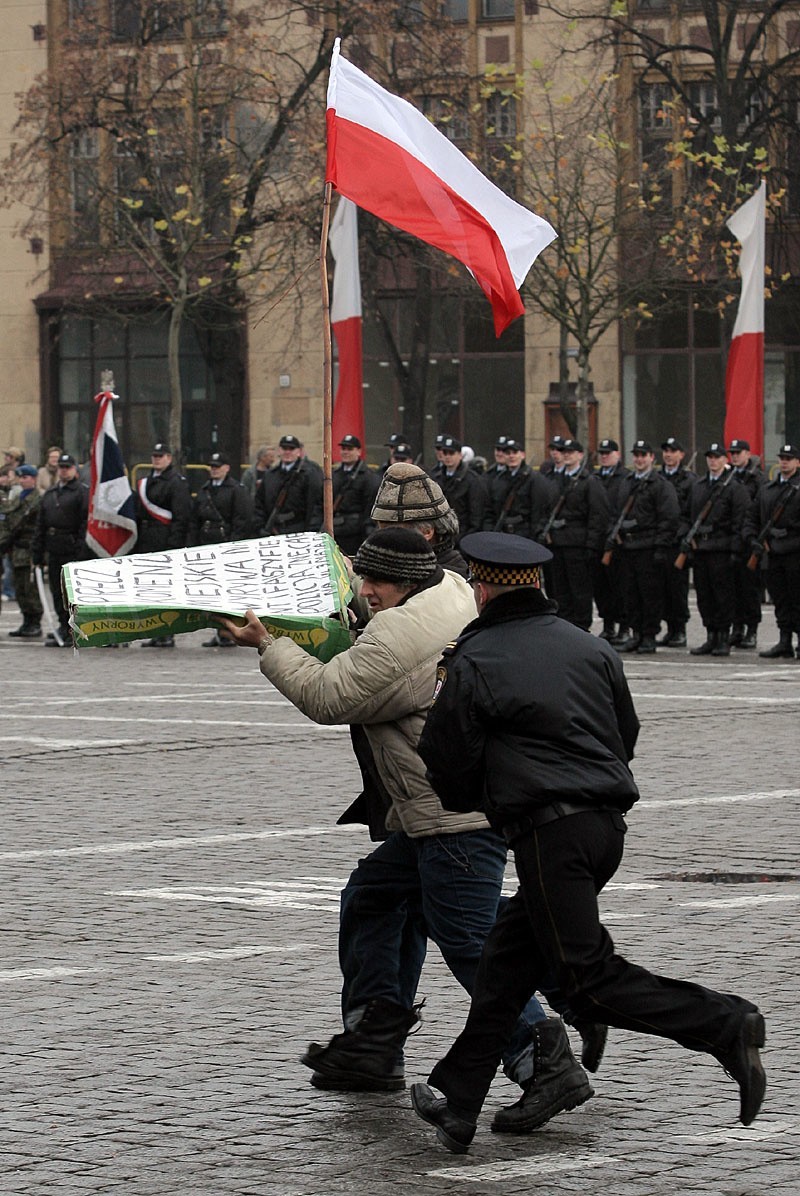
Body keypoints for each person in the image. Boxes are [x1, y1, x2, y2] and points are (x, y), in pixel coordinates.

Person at [216, 528, 595, 1122]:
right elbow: (358, 638)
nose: (367, 592)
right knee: (373, 898)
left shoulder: (399, 636)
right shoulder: (444, 590)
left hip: (454, 818)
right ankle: (374, 1040)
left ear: (408, 582)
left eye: (378, 583)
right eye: (363, 578)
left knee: (471, 942)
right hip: (433, 813)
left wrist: (267, 642)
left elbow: (329, 695)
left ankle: (544, 1059)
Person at [409, 531, 766, 1153]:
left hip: (551, 832)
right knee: (504, 966)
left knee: (585, 981)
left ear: (482, 588)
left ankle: (725, 1023)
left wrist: (482, 797)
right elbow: (622, 733)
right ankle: (459, 1100)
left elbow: (446, 754)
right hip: (603, 826)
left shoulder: (475, 657)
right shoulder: (589, 646)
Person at [610, 440, 679, 655]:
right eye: (636, 455)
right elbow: (616, 511)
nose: (639, 459)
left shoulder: (660, 485)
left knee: (650, 595)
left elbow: (669, 518)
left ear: (651, 458)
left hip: (648, 547)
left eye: (643, 455)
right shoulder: (627, 482)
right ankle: (636, 632)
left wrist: (661, 547)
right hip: (628, 547)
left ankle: (649, 634)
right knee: (630, 594)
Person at [688, 443, 750, 657]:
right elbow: (689, 515)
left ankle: (723, 636)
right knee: (704, 595)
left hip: (721, 549)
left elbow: (739, 520)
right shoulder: (699, 485)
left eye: (717, 457)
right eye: (710, 457)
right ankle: (711, 635)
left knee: (723, 595)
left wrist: (735, 549)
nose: (713, 461)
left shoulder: (734, 487)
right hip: (701, 548)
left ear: (725, 460)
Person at [540, 438, 609, 632]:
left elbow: (597, 515)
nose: (567, 454)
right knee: (559, 590)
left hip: (578, 544)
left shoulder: (589, 481)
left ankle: (580, 626)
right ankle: (563, 624)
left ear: (580, 455)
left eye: (571, 451)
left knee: (580, 590)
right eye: (564, 451)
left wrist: (592, 545)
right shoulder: (554, 479)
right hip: (556, 542)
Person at [190, 451, 253, 648]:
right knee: (213, 593)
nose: (214, 470)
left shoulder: (236, 489)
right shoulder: (205, 490)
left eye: (218, 467)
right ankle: (219, 632)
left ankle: (229, 633)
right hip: (207, 545)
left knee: (228, 593)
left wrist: (233, 546)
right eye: (212, 467)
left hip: (227, 547)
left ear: (227, 468)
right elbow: (195, 520)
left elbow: (241, 519)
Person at [746, 442, 800, 659]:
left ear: (797, 462)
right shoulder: (767, 490)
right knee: (781, 599)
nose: (784, 462)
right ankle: (784, 640)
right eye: (782, 458)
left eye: (789, 458)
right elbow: (752, 517)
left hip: (795, 553)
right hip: (773, 553)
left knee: (798, 599)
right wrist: (753, 540)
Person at [136, 443, 192, 648]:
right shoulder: (146, 481)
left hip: (166, 541)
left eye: (161, 456)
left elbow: (181, 517)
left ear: (169, 458)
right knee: (152, 591)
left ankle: (168, 633)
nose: (157, 459)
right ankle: (156, 632)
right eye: (154, 456)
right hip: (148, 541)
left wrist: (174, 545)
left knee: (168, 592)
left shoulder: (176, 483)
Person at [32, 454, 90, 647]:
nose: (64, 470)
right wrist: (37, 553)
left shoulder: (82, 493)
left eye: (67, 467)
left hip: (72, 547)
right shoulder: (51, 493)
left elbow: (84, 523)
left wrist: (81, 549)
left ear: (74, 469)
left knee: (71, 593)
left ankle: (73, 628)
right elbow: (41, 525)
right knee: (57, 591)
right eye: (61, 467)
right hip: (54, 547)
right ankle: (62, 624)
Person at [657, 437, 696, 648]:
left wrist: (681, 534)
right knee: (661, 588)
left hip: (678, 542)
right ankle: (669, 627)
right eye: (666, 451)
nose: (669, 455)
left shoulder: (689, 480)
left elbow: (690, 511)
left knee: (677, 589)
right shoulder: (658, 478)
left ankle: (679, 628)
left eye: (673, 451)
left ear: (682, 454)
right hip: (660, 540)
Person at [728, 439, 765, 649]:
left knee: (750, 590)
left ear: (748, 454)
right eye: (732, 452)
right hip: (732, 540)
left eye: (738, 452)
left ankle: (751, 630)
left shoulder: (757, 479)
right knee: (732, 590)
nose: (735, 456)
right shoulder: (729, 477)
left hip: (749, 541)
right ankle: (737, 628)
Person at [0, 464, 44, 638]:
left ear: (33, 479)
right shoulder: (18, 497)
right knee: (20, 588)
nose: (22, 480)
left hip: (28, 550)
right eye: (20, 477)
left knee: (30, 587)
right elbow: (9, 517)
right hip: (15, 549)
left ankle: (35, 622)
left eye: (25, 477)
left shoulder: (37, 499)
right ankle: (26, 621)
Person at [593, 438, 630, 643]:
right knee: (602, 587)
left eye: (608, 453)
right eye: (602, 453)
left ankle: (624, 626)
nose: (605, 456)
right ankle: (608, 625)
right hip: (599, 540)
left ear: (618, 455)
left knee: (621, 587)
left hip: (618, 541)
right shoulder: (595, 477)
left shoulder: (625, 478)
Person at [483, 438, 552, 543]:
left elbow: (538, 510)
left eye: (515, 452)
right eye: (507, 453)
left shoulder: (534, 479)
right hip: (502, 533)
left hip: (524, 534)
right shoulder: (498, 479)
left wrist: (534, 536)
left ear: (522, 455)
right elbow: (490, 509)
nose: (511, 456)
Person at [255, 434, 323, 536]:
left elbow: (315, 505)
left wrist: (312, 530)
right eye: (284, 448)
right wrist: (260, 527)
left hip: (299, 529)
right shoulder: (270, 475)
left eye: (291, 449)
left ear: (299, 452)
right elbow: (259, 504)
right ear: (279, 451)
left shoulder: (308, 474)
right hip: (273, 530)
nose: (287, 452)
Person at [331, 434, 379, 556]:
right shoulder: (333, 475)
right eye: (343, 449)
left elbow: (369, 507)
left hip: (355, 534)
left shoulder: (368, 477)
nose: (345, 452)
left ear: (359, 451)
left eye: (350, 449)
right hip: (335, 532)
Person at [437, 437, 485, 542]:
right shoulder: (437, 477)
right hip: (441, 533)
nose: (448, 457)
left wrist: (464, 538)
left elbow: (476, 514)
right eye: (445, 453)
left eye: (451, 453)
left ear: (460, 455)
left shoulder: (472, 479)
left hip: (462, 535)